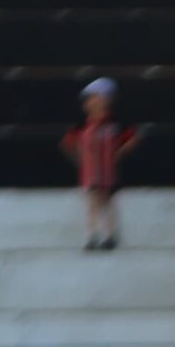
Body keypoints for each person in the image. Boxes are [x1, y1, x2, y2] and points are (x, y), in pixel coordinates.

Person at [61, 76, 139, 253]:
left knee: (108, 202)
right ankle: (92, 235)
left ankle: (110, 235)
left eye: (96, 98)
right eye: (90, 99)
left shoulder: (115, 122)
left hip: (109, 172)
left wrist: (119, 152)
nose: (92, 102)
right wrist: (80, 158)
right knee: (92, 203)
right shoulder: (83, 124)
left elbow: (133, 137)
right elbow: (68, 142)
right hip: (90, 172)